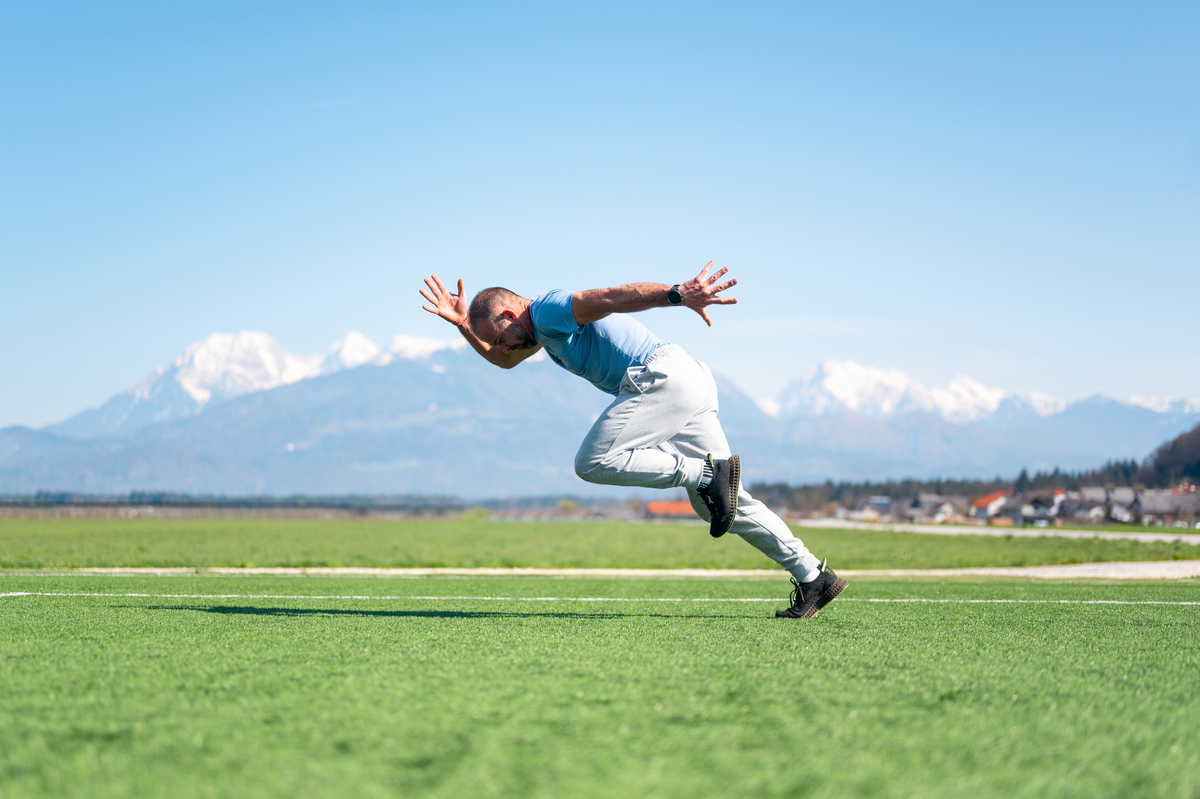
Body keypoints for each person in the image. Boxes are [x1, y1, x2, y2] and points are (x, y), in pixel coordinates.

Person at [419, 262, 847, 619]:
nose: (503, 348)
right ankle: (813, 575)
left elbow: (609, 297)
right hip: (688, 380)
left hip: (662, 378)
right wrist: (463, 325)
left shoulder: (548, 311)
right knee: (718, 501)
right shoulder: (544, 331)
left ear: (510, 315)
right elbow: (504, 363)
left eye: (499, 338)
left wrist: (677, 294)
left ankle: (703, 473)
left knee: (593, 461)